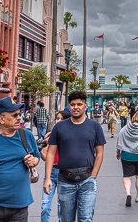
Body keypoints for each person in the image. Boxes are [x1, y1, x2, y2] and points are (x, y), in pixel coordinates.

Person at [43, 91, 106, 222]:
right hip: (65, 181)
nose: (76, 107)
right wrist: (48, 178)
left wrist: (93, 175)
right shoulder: (59, 127)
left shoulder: (94, 126)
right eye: (72, 104)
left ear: (85, 106)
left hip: (87, 180)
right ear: (69, 106)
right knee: (66, 219)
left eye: (79, 104)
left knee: (86, 219)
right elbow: (50, 153)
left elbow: (99, 153)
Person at [40, 111, 70, 222]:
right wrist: (41, 148)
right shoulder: (49, 135)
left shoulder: (70, 136)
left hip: (64, 173)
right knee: (45, 207)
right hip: (51, 173)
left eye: (61, 119)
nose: (58, 121)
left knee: (61, 209)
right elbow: (45, 157)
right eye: (57, 118)